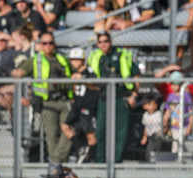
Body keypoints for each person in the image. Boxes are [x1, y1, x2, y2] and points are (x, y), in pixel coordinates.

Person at [11, 32, 73, 164]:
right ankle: (58, 166)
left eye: (51, 43)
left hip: (64, 100)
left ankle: (56, 162)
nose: (48, 46)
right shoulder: (35, 60)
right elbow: (18, 73)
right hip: (47, 102)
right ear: (40, 45)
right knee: (51, 136)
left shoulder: (62, 59)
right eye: (45, 43)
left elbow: (72, 75)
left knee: (68, 131)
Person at [88, 31, 140, 163]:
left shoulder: (122, 55)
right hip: (104, 98)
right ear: (97, 44)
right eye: (101, 42)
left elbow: (136, 75)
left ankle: (116, 161)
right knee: (100, 131)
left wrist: (134, 95)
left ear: (110, 42)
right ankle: (100, 161)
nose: (104, 44)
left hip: (121, 97)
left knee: (120, 133)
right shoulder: (96, 57)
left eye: (106, 41)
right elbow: (90, 78)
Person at [63, 47, 99, 164]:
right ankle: (80, 148)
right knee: (65, 126)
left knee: (90, 134)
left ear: (83, 60)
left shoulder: (89, 71)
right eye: (72, 60)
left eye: (77, 60)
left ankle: (92, 158)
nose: (74, 62)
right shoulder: (74, 73)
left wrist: (83, 79)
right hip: (77, 105)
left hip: (87, 105)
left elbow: (96, 86)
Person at [162, 71, 193, 155]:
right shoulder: (170, 96)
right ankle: (180, 158)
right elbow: (168, 110)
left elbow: (190, 112)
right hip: (174, 125)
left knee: (179, 144)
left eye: (175, 84)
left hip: (184, 125)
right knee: (176, 143)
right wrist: (165, 120)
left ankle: (179, 160)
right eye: (172, 84)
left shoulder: (186, 95)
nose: (173, 86)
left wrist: (190, 126)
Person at [140, 92, 163, 162]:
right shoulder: (145, 115)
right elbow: (146, 127)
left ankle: (154, 162)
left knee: (154, 150)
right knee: (149, 150)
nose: (151, 106)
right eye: (147, 104)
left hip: (157, 136)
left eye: (152, 104)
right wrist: (144, 137)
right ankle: (150, 162)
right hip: (150, 137)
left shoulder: (159, 114)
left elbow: (163, 125)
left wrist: (160, 132)